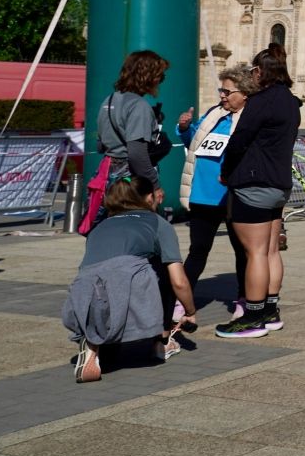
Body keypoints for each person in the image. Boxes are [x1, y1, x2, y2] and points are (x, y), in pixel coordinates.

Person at [62, 178, 197, 382]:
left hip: (84, 297)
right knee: (164, 266)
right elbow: (179, 281)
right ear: (149, 197)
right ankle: (161, 342)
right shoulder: (158, 223)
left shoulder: (100, 227)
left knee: (111, 353)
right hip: (125, 286)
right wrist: (190, 312)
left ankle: (94, 343)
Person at [216, 43, 301, 337]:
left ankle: (252, 315)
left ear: (259, 72)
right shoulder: (291, 101)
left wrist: (226, 172)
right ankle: (270, 309)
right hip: (278, 183)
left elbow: (239, 140)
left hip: (254, 181)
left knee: (254, 252)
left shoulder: (261, 101)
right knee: (270, 250)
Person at [177, 66, 253, 314]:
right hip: (202, 193)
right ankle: (182, 300)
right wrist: (186, 128)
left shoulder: (251, 118)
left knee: (241, 252)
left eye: (227, 91)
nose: (222, 95)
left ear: (244, 93)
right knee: (197, 250)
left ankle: (244, 299)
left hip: (233, 195)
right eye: (221, 90)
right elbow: (193, 144)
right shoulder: (214, 114)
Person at [96, 50, 174, 209]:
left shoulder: (110, 100)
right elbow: (137, 155)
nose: (161, 81)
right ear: (147, 76)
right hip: (131, 183)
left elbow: (100, 145)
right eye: (160, 76)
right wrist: (155, 185)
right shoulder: (139, 106)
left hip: (108, 176)